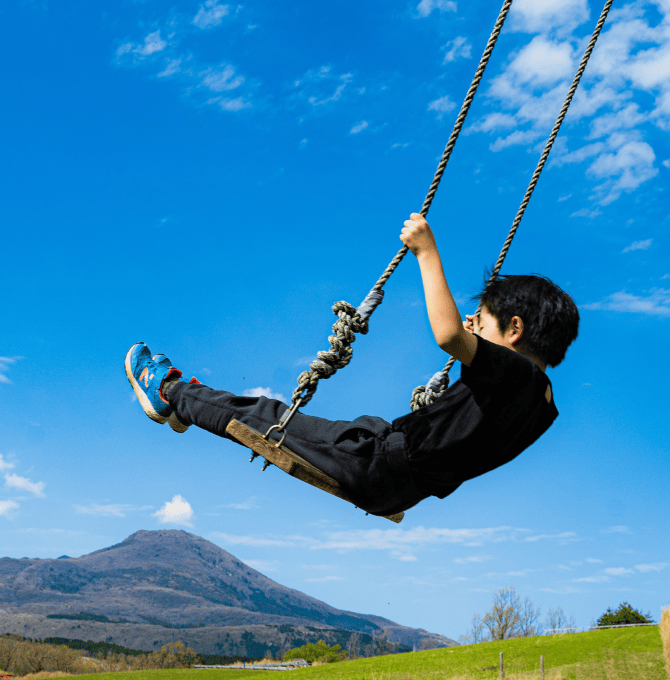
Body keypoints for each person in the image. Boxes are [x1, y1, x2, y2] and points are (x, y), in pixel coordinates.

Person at [125, 213, 579, 518]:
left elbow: (447, 335)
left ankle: (169, 393)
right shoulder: (543, 405)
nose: (470, 323)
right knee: (275, 422)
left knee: (262, 418)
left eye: (481, 320)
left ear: (514, 329)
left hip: (379, 461)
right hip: (403, 487)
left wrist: (425, 250)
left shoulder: (517, 375)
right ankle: (189, 403)